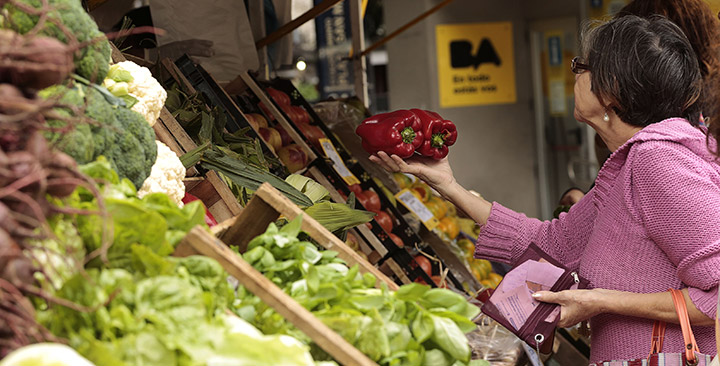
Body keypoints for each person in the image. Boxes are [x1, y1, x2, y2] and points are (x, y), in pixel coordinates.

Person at [370, 15, 720, 364]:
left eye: (582, 66)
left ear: (610, 89)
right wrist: (448, 186)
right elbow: (553, 243)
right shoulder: (629, 164)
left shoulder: (659, 164)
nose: (576, 75)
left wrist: (600, 301)